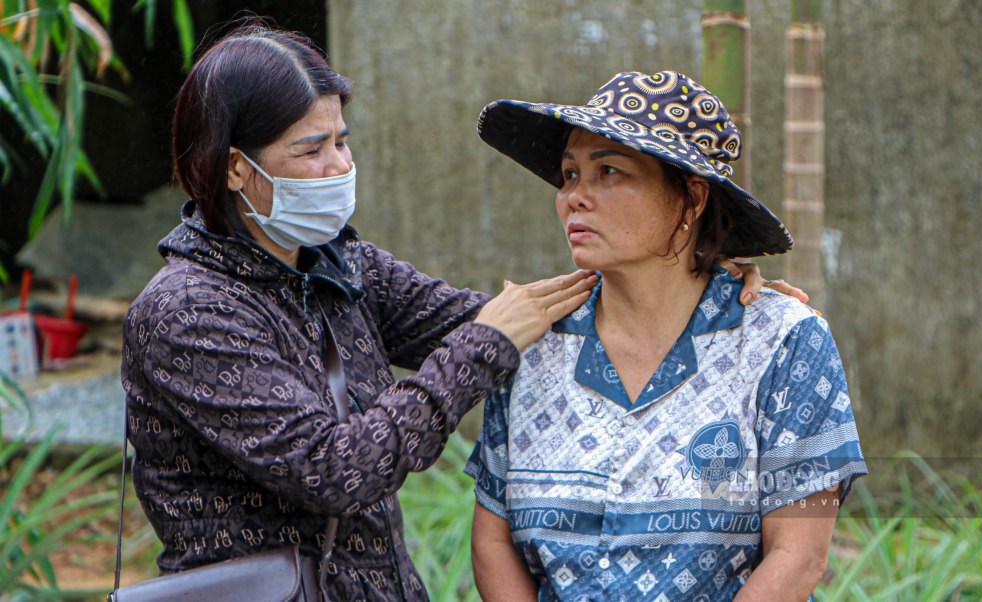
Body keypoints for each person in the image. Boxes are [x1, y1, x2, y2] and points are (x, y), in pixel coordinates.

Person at [121, 21, 793, 601]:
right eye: (311, 150)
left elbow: (515, 319)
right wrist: (484, 346)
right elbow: (334, 469)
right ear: (237, 169)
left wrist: (691, 276)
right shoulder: (187, 312)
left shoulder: (339, 265)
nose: (338, 165)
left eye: (341, 141)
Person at [466, 71, 868, 602]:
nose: (573, 198)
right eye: (569, 173)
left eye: (608, 170)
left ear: (692, 198)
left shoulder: (782, 341)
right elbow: (492, 540)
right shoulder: (534, 340)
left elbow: (800, 557)